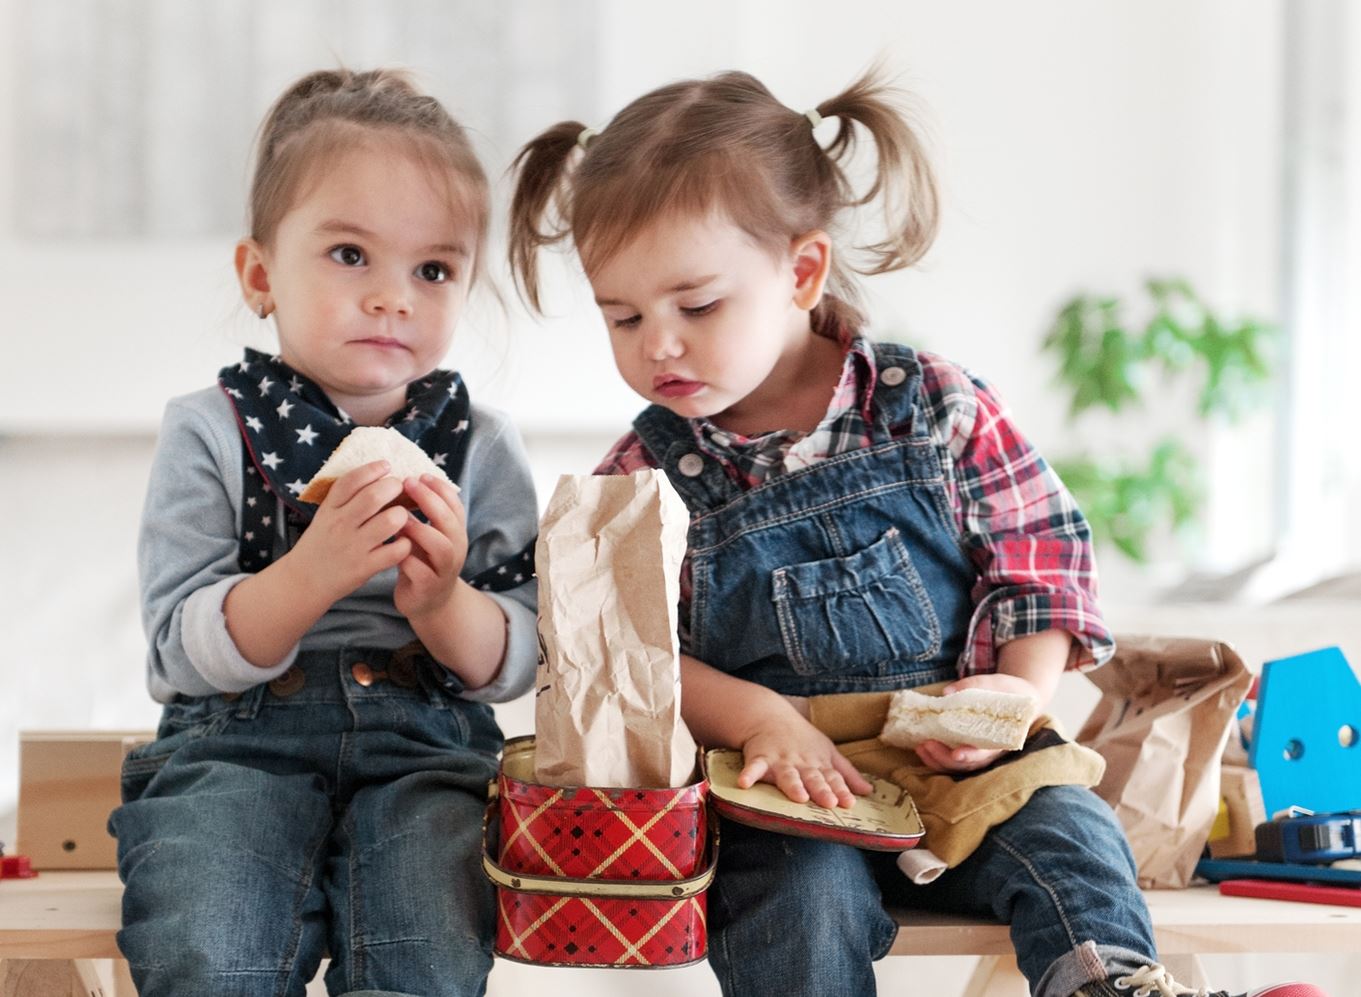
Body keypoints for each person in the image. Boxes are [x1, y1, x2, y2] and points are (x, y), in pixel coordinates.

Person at [506, 68, 1330, 997]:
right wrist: (762, 717)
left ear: (801, 270)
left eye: (694, 306)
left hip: (971, 766)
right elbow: (625, 654)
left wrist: (1013, 697)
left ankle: (1109, 983)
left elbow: (1040, 561)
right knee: (787, 898)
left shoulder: (930, 406)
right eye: (621, 316)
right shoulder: (640, 474)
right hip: (786, 795)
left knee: (1068, 828)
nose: (656, 344)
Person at [110, 68, 538, 997]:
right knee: (206, 944)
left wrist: (444, 603)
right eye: (350, 254)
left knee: (426, 950)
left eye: (433, 269)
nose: (394, 297)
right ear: (260, 275)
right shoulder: (210, 428)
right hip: (233, 741)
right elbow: (177, 649)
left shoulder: (483, 445)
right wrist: (313, 572)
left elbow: (525, 653)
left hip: (428, 743)